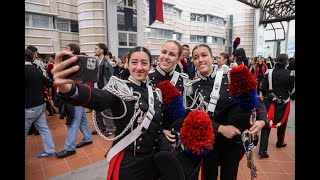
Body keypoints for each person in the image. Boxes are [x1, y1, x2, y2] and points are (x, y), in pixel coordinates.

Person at [51, 46, 184, 180]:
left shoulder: (156, 93)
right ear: (127, 64)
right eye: (134, 62)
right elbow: (101, 97)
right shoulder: (120, 89)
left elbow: (155, 120)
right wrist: (69, 89)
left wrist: (161, 130)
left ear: (150, 66)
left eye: (144, 63)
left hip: (152, 161)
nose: (139, 67)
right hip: (129, 162)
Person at [185, 44, 267, 180]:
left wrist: (262, 118)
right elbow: (190, 117)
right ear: (192, 61)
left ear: (213, 58)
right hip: (209, 143)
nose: (200, 60)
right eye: (195, 57)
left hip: (232, 144)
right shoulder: (191, 87)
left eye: (204, 55)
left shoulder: (230, 78)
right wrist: (220, 128)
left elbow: (256, 101)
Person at [55, 43, 93, 158]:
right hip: (77, 95)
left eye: (66, 48)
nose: (64, 49)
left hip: (75, 96)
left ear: (71, 51)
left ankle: (69, 148)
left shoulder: (74, 63)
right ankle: (88, 138)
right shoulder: (73, 62)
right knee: (82, 119)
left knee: (73, 122)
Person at [258, 53, 295, 158]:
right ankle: (280, 143)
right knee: (282, 123)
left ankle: (262, 150)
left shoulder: (269, 73)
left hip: (269, 102)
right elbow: (292, 89)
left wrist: (268, 95)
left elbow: (263, 88)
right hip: (284, 102)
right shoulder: (290, 74)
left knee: (266, 125)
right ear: (286, 61)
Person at [25, 48, 56, 158]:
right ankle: (50, 150)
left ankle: (50, 150)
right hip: (40, 104)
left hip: (29, 107)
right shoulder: (36, 69)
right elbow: (48, 82)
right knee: (44, 128)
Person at [91, 43, 116, 137]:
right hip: (97, 89)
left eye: (96, 48)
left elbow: (109, 79)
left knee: (106, 111)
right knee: (97, 110)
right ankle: (100, 127)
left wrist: (106, 92)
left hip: (104, 90)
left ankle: (111, 128)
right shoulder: (98, 62)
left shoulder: (106, 64)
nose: (94, 50)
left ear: (101, 50)